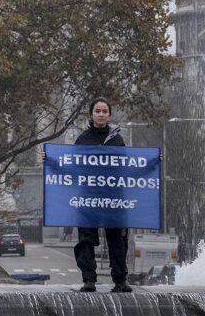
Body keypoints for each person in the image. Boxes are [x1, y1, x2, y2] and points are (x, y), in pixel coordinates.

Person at [73, 97, 133, 293]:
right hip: (88, 196)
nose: (100, 114)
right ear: (91, 114)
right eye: (97, 111)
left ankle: (120, 280)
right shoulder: (82, 139)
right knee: (86, 237)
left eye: (104, 111)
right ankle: (89, 280)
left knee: (117, 237)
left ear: (109, 115)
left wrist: (153, 161)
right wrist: (49, 158)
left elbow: (127, 165)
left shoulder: (117, 139)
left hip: (114, 196)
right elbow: (72, 165)